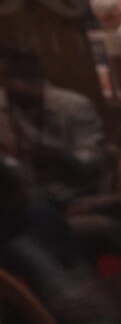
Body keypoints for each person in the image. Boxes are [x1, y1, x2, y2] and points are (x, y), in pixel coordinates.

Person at [0, 46, 106, 207]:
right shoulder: (4, 104)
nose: (8, 85)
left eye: (12, 77)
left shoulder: (74, 106)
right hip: (20, 198)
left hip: (73, 194)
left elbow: (91, 162)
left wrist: (61, 157)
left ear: (34, 75)